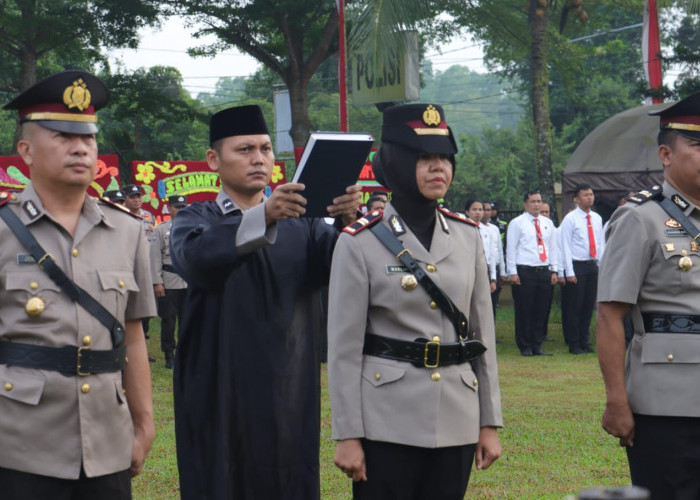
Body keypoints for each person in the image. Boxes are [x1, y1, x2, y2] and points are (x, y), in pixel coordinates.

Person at [169, 104, 362, 500]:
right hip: (217, 389)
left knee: (288, 478)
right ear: (213, 160)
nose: (258, 159)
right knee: (219, 480)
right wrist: (265, 218)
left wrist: (345, 221)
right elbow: (198, 260)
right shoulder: (196, 218)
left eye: (265, 149)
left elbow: (347, 269)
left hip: (288, 387)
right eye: (244, 150)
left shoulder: (305, 225)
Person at [328, 103, 502, 499]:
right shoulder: (359, 241)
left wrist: (489, 421)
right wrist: (348, 433)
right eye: (424, 159)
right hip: (386, 418)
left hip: (458, 414)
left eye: (444, 158)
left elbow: (482, 335)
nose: (438, 168)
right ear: (395, 165)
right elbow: (343, 349)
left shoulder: (467, 235)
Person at [0, 70, 156, 499]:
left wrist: (143, 425)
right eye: (63, 136)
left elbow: (135, 335)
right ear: (26, 150)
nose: (81, 148)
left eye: (88, 138)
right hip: (18, 444)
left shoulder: (127, 230)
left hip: (108, 439)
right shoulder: (2, 229)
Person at [597, 91, 700, 498]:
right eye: (697, 145)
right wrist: (617, 401)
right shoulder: (640, 219)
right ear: (666, 154)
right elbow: (609, 315)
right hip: (664, 402)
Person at [506, 190, 558, 356]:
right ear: (525, 204)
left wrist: (554, 269)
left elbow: (553, 247)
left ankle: (537, 344)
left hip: (543, 270)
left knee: (541, 309)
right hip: (525, 271)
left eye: (539, 201)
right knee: (524, 309)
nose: (537, 204)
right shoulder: (517, 223)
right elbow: (511, 248)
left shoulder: (547, 223)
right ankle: (525, 344)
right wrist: (512, 272)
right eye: (533, 201)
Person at [559, 184, 604, 354]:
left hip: (592, 265)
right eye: (585, 195)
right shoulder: (570, 219)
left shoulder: (597, 218)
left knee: (587, 306)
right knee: (574, 307)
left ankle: (585, 341)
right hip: (577, 266)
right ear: (577, 199)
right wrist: (569, 271)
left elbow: (600, 243)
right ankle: (574, 343)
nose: (589, 198)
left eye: (591, 194)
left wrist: (600, 264)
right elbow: (565, 246)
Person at [150, 195, 188, 369]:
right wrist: (157, 282)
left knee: (187, 320)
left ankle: (185, 353)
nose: (179, 210)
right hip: (169, 281)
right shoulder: (160, 230)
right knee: (168, 320)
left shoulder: (193, 226)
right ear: (169, 208)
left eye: (182, 206)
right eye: (176, 207)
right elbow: (155, 257)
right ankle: (168, 354)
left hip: (189, 282)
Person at [123, 183, 157, 359]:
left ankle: (142, 350)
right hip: (126, 268)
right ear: (125, 199)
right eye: (132, 197)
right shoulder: (120, 215)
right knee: (127, 309)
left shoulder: (148, 216)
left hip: (146, 268)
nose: (137, 200)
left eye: (139, 196)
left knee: (144, 309)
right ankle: (124, 348)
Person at [465, 198, 498, 293]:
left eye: (480, 210)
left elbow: (491, 256)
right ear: (467, 212)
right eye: (474, 210)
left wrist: (493, 279)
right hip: (468, 270)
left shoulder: (488, 231)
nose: (478, 212)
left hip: (484, 270)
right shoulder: (462, 229)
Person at [482, 201, 506, 319]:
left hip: (494, 267)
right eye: (483, 209)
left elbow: (499, 251)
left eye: (488, 210)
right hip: (481, 267)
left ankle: (492, 334)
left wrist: (502, 271)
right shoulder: (474, 227)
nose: (486, 213)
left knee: (493, 302)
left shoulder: (494, 228)